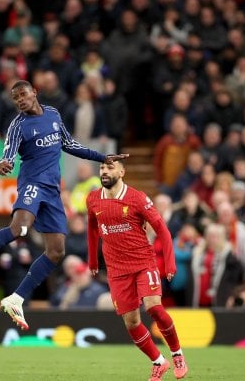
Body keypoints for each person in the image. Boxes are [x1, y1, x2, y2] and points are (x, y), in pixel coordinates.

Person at [0, 80, 127, 329]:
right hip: (33, 183)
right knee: (20, 229)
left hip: (53, 192)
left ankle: (16, 298)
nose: (20, 100)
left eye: (23, 94)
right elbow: (8, 154)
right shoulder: (17, 126)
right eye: (16, 98)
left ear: (34, 92)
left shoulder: (54, 114)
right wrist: (5, 163)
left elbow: (69, 144)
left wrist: (102, 157)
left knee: (56, 251)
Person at [86, 159, 187, 380]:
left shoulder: (137, 198)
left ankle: (177, 353)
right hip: (116, 269)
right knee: (131, 322)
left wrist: (169, 263)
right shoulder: (93, 199)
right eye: (102, 168)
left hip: (143, 263)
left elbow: (162, 229)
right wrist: (93, 260)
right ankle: (159, 362)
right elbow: (92, 229)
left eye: (110, 168)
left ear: (122, 172)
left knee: (154, 308)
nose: (104, 171)